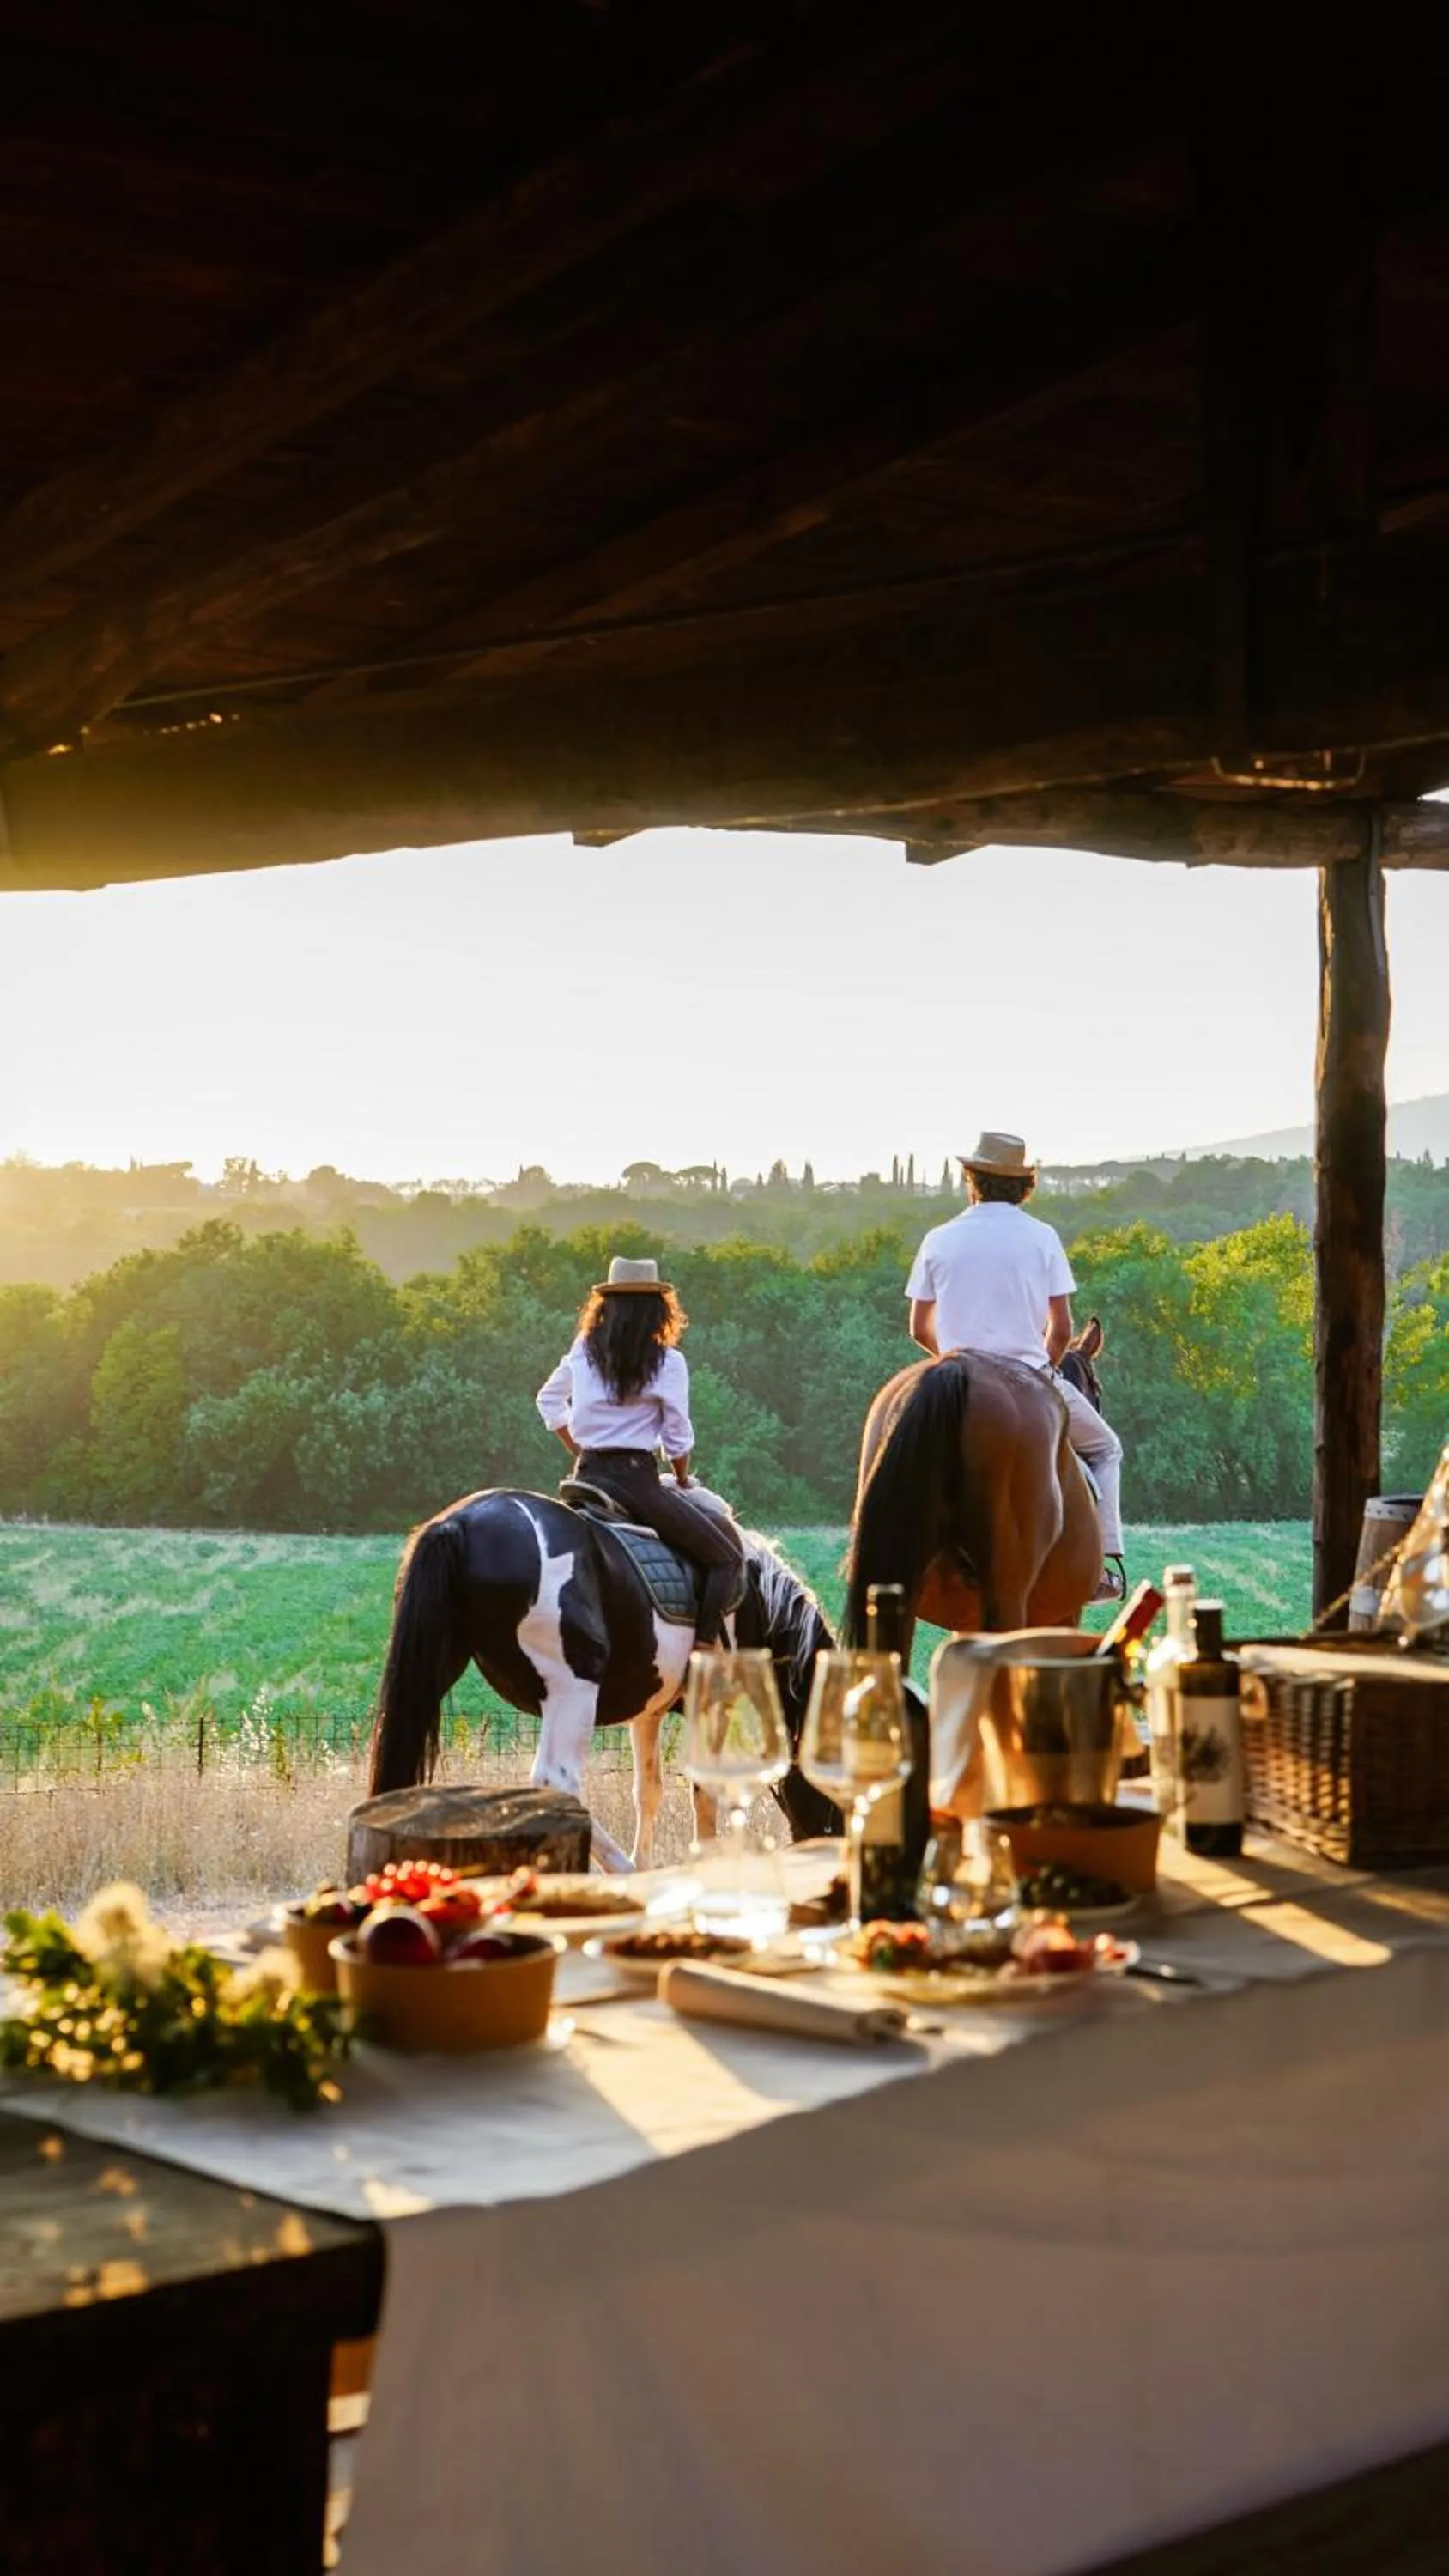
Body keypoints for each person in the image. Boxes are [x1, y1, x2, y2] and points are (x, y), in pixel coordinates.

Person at [904, 1132, 1126, 1601]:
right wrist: (1039, 1370)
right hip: (1028, 1375)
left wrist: (955, 1362)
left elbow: (919, 1328)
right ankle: (1103, 1566)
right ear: (1023, 1186)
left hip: (958, 1375)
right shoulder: (1042, 1237)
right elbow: (1063, 1329)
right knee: (1107, 1449)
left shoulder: (938, 1239)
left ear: (972, 1179)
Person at [535, 1255, 744, 1646]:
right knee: (725, 1559)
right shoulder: (668, 1362)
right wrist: (682, 1479)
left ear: (606, 1308)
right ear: (659, 1311)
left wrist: (579, 1450)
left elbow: (548, 1401)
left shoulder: (584, 1349)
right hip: (636, 1483)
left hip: (585, 1477)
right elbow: (678, 1435)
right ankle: (702, 1654)